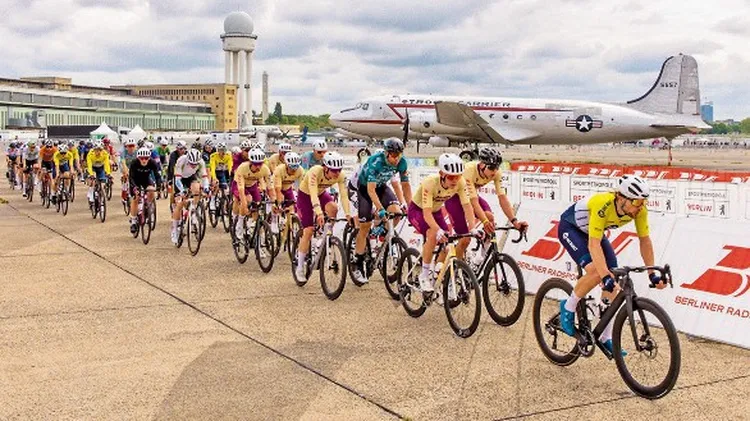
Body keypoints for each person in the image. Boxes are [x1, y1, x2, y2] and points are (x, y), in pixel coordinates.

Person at [557, 175, 666, 354]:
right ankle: (568, 306)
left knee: (613, 277)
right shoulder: (603, 204)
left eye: (643, 202)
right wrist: (604, 275)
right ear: (621, 198)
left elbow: (645, 241)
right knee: (597, 272)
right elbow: (593, 245)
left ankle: (605, 336)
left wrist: (652, 273)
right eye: (637, 202)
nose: (640, 207)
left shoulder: (639, 210)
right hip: (571, 229)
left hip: (594, 233)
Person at [407, 153, 476, 293]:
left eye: (458, 176)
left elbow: (467, 206)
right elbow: (426, 213)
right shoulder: (430, 182)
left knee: (448, 242)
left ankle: (436, 272)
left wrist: (473, 228)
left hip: (436, 211)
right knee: (433, 234)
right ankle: (424, 275)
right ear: (441, 174)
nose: (455, 180)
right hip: (418, 210)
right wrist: (437, 230)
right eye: (451, 177)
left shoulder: (461, 182)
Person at [350, 138, 412, 284]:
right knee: (365, 226)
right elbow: (371, 190)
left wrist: (409, 206)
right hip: (365, 188)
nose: (396, 159)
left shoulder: (402, 162)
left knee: (396, 212)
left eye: (399, 155)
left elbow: (405, 186)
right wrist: (380, 209)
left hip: (381, 186)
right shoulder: (375, 161)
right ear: (386, 153)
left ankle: (382, 237)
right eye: (393, 155)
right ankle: (357, 262)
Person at [450, 147, 528, 263]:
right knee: (465, 239)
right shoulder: (469, 170)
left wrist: (514, 222)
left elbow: (502, 198)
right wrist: (485, 222)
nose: (494, 171)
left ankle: (480, 259)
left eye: (497, 167)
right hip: (454, 199)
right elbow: (474, 202)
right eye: (491, 167)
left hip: (470, 197)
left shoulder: (496, 173)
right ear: (481, 165)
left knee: (490, 217)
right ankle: (458, 269)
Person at [294, 151, 352, 279]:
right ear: (325, 168)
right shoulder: (315, 171)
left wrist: (348, 214)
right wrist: (319, 212)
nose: (337, 173)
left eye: (339, 170)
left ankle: (324, 237)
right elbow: (313, 193)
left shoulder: (340, 176)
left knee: (333, 208)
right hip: (305, 195)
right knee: (308, 231)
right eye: (334, 171)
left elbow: (344, 196)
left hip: (321, 194)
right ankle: (299, 267)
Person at [232, 149, 273, 240]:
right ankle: (239, 223)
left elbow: (270, 187)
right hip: (239, 185)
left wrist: (274, 201)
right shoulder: (242, 167)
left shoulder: (265, 169)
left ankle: (252, 225)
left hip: (252, 185)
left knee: (257, 205)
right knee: (247, 199)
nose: (258, 167)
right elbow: (241, 190)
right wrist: (244, 205)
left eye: (260, 164)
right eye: (255, 164)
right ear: (250, 162)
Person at [171, 149, 209, 244]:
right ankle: (174, 229)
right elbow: (177, 180)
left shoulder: (201, 162)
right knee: (179, 203)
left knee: (197, 189)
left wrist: (206, 188)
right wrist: (182, 190)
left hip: (191, 177)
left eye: (195, 164)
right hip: (180, 179)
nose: (193, 165)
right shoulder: (181, 160)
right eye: (191, 163)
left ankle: (193, 211)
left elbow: (204, 177)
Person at [128, 147, 162, 234]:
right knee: (136, 198)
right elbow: (131, 177)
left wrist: (159, 187)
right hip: (135, 181)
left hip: (146, 180)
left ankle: (147, 207)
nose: (144, 160)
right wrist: (134, 188)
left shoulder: (152, 162)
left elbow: (157, 176)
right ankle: (133, 220)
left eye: (146, 158)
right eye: (142, 158)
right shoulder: (134, 163)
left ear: (149, 158)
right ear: (138, 158)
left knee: (151, 191)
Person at [86, 141, 111, 205]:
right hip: (93, 168)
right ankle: (90, 194)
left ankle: (101, 197)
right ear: (94, 150)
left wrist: (108, 173)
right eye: (96, 150)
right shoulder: (90, 154)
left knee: (102, 183)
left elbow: (107, 164)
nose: (98, 151)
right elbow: (89, 165)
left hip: (101, 168)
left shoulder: (105, 153)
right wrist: (91, 174)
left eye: (100, 150)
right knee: (92, 181)